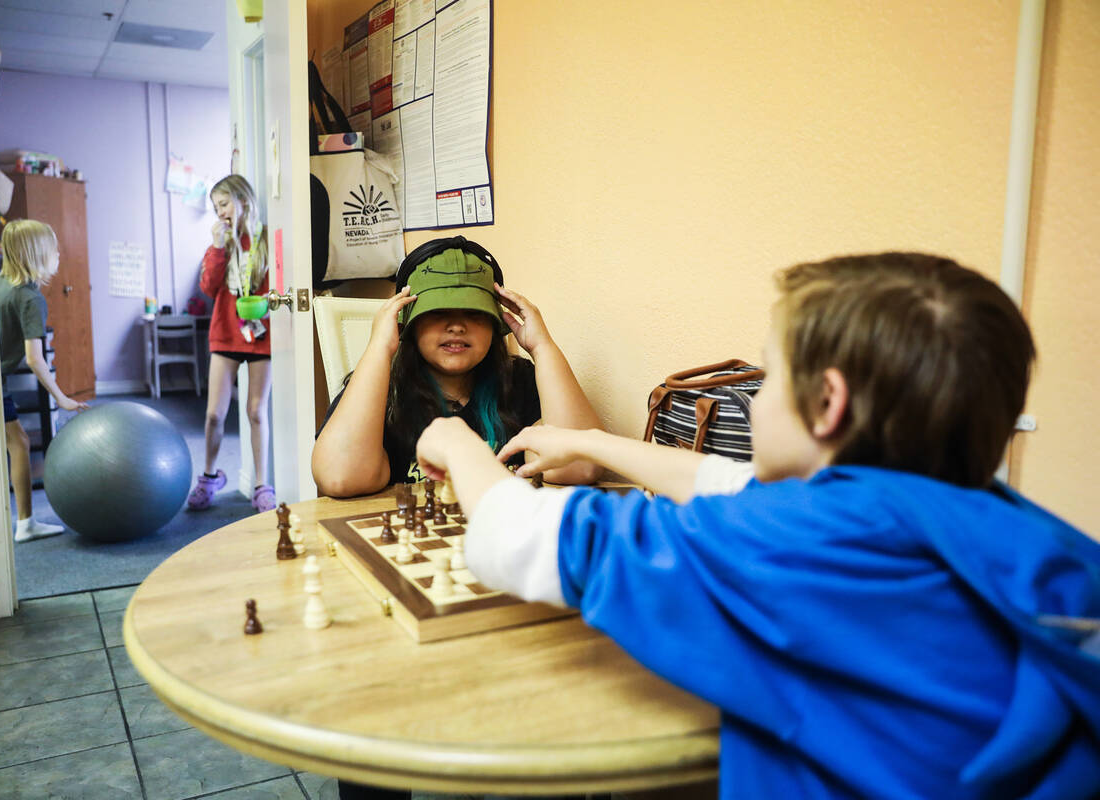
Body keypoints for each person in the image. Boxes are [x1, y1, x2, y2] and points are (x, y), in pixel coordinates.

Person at [414, 252, 1100, 800]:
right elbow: (731, 485)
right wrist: (593, 444)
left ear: (826, 403)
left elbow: (519, 536)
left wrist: (455, 442)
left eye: (768, 378)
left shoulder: (790, 546)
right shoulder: (1003, 522)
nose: (755, 396)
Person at [312, 236, 604, 497]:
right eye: (438, 312)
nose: (456, 326)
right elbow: (339, 479)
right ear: (406, 322)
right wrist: (379, 347)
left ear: (496, 322)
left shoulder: (522, 382)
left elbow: (581, 468)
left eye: (473, 313)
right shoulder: (381, 391)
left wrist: (543, 348)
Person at [0, 220, 89, 542]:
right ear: (36, 255)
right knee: (18, 443)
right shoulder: (30, 298)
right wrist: (61, 397)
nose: (59, 254)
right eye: (54, 249)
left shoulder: (0, 283)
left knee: (14, 441)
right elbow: (35, 358)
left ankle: (24, 521)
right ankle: (25, 523)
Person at [188, 174, 275, 513]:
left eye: (223, 204)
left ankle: (261, 485)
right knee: (213, 414)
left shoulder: (265, 239)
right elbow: (208, 288)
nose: (220, 212)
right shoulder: (222, 242)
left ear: (242, 199)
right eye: (215, 207)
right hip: (225, 332)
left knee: (256, 410)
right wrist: (216, 248)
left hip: (260, 334)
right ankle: (210, 477)